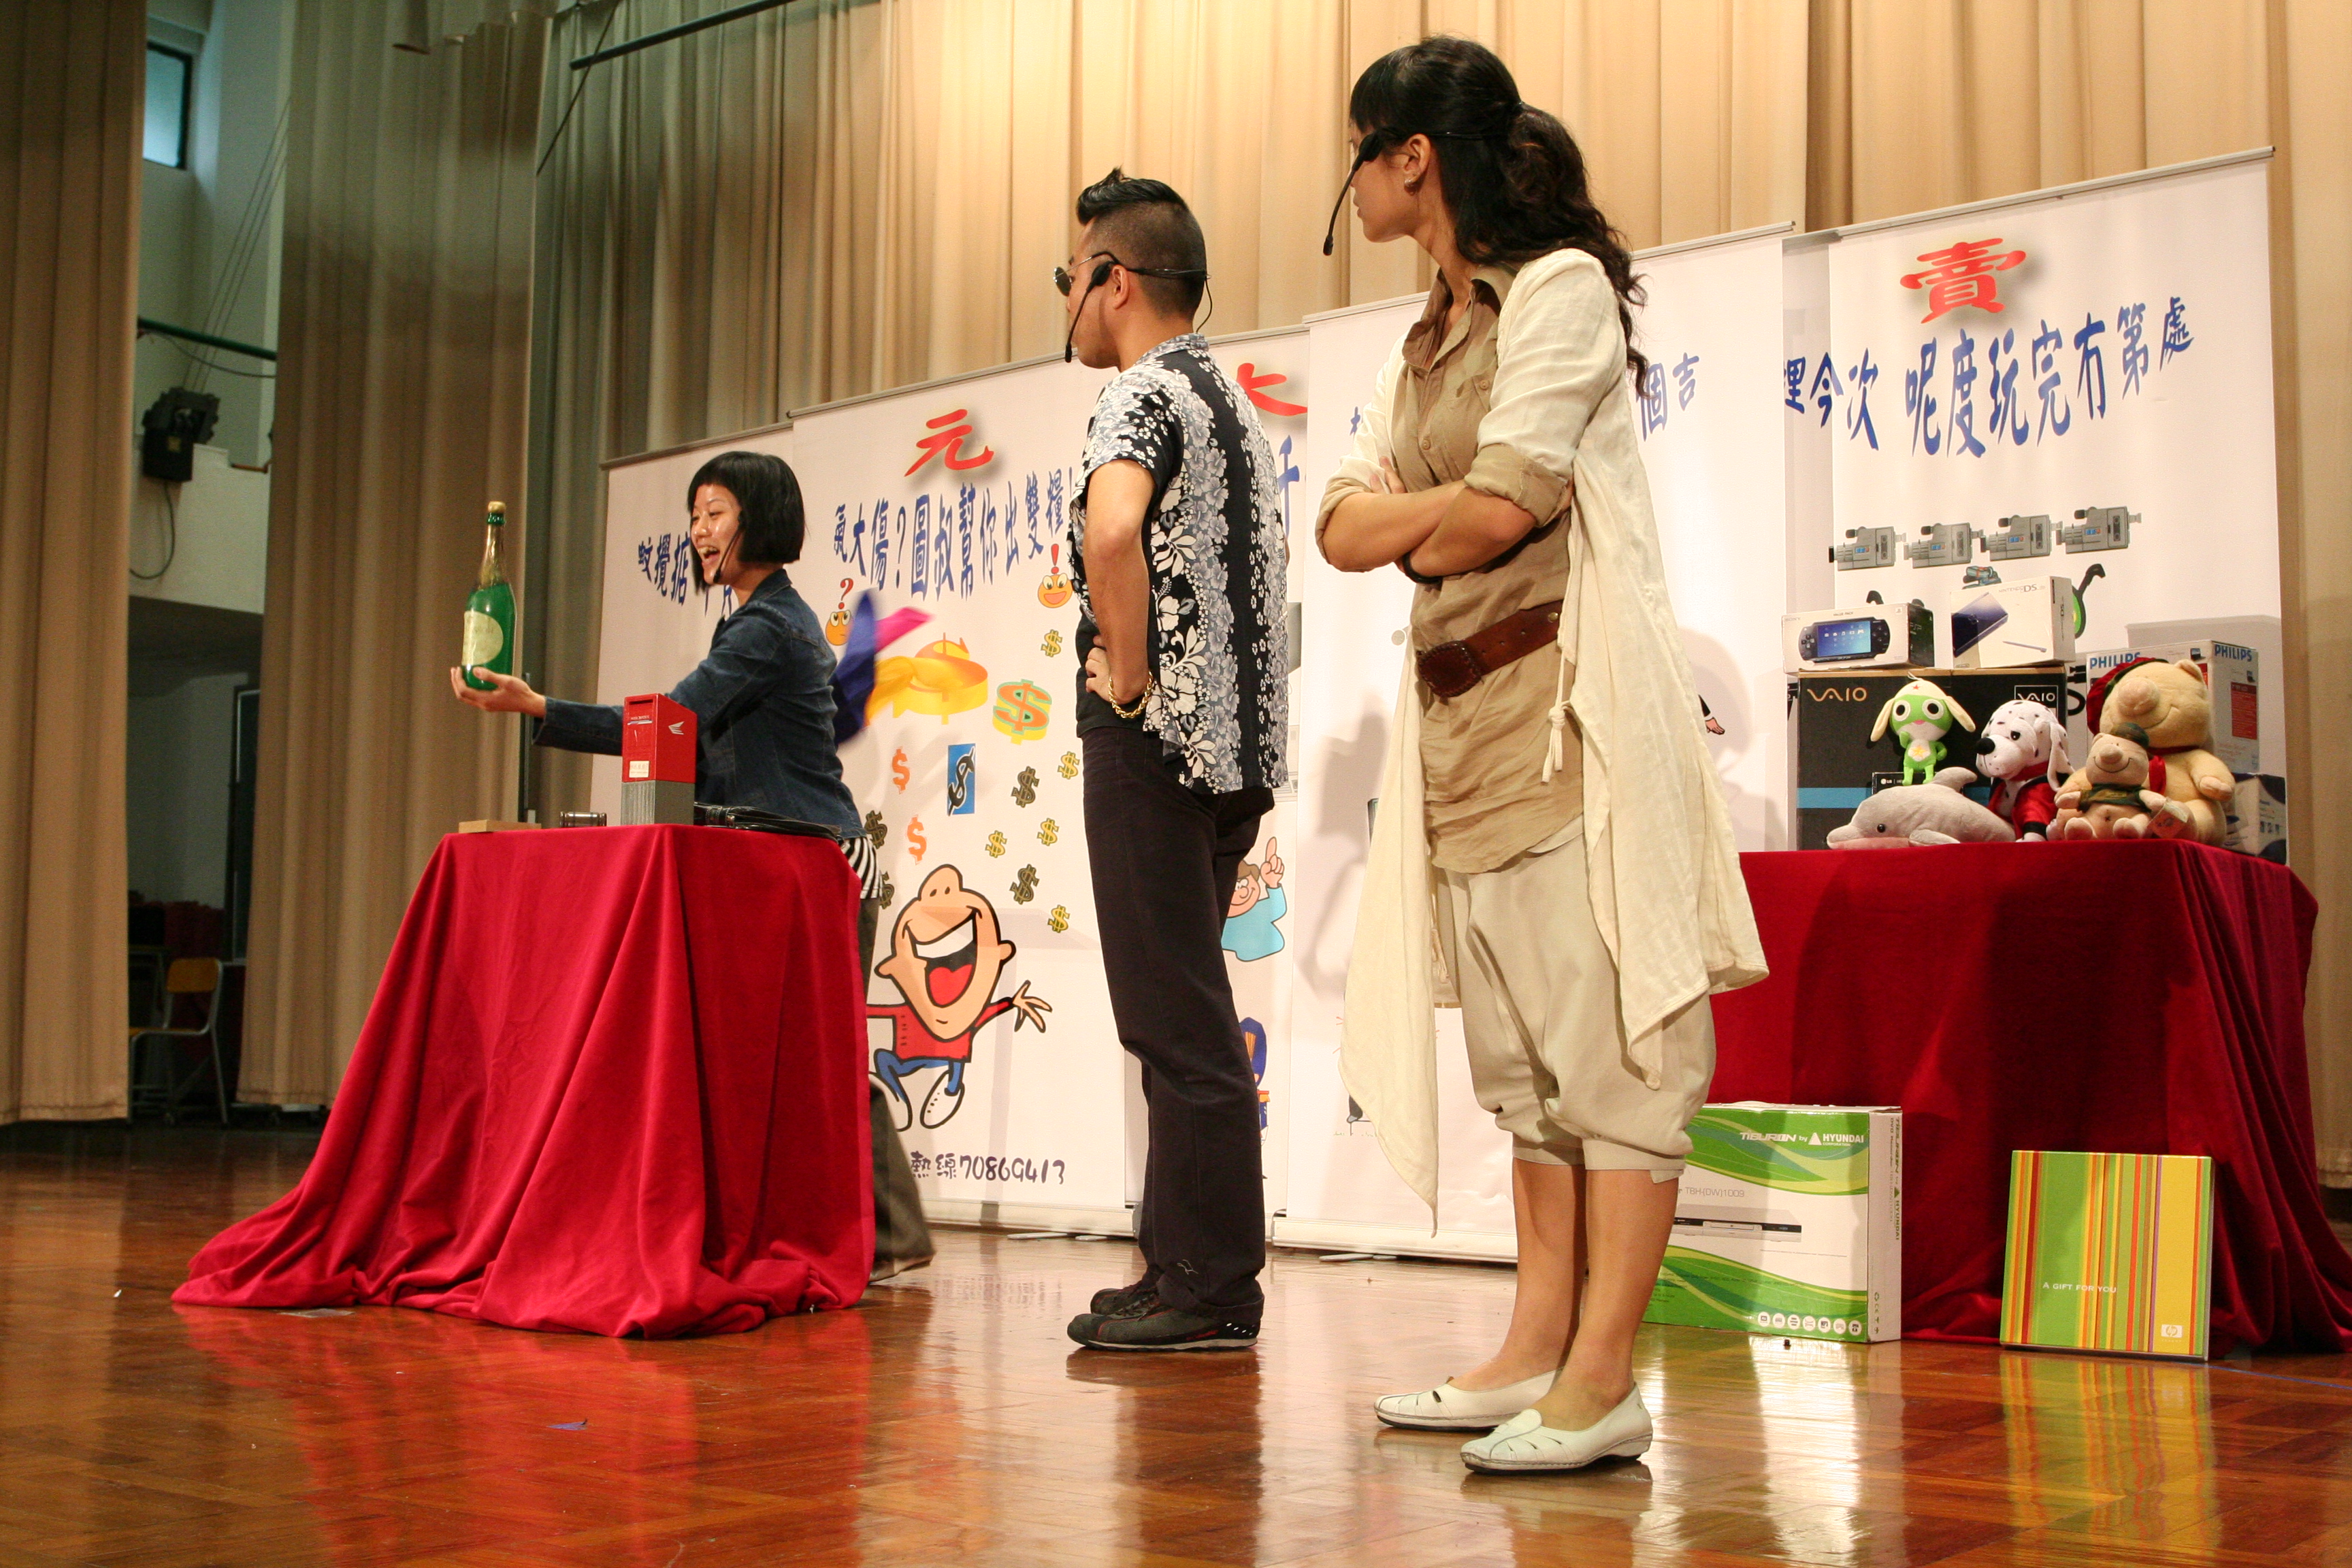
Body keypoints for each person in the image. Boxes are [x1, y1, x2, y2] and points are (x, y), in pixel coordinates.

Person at [1316, 39, 1765, 1472]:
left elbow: (1507, 505)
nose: (1352, 184)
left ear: (1412, 157)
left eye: (1360, 152)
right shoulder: (1420, 342)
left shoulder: (1557, 291)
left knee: (1614, 1058)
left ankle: (1605, 1379)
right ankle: (1534, 1348)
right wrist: (1429, 517)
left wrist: (1423, 516)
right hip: (1461, 739)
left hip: (1566, 719)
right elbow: (1337, 521)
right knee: (1524, 1072)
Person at [450, 449, 934, 1281]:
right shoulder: (751, 620)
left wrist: (539, 706)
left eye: (715, 514)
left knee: (823, 1059)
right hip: (771, 864)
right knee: (790, 1058)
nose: (699, 532)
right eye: (695, 516)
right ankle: (835, 1233)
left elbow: (670, 721)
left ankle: (891, 1235)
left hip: (817, 865)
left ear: (760, 519)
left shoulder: (768, 628)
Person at [1054, 169, 1289, 1352]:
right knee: (1186, 1014)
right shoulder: (1228, 399)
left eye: (1069, 276)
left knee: (1173, 1021)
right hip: (1233, 757)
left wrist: (1132, 678)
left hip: (1156, 744)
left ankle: (1209, 1287)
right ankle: (1181, 1266)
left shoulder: (1141, 389)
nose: (1066, 299)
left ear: (1115, 280)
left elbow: (1112, 529)